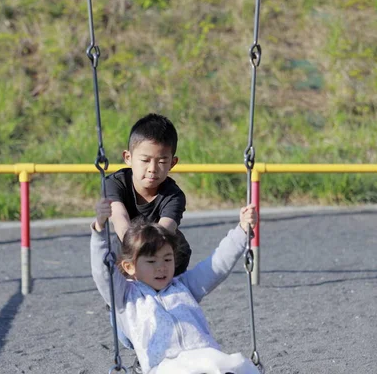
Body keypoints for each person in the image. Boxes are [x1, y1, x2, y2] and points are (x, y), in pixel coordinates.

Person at [91, 198, 261, 374]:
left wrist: (241, 230)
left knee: (237, 365)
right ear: (129, 266)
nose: (161, 267)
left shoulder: (184, 286)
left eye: (167, 259)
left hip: (204, 356)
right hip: (165, 366)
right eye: (151, 261)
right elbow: (103, 272)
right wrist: (99, 230)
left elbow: (216, 265)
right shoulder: (126, 297)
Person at [105, 113, 191, 275]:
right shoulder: (115, 183)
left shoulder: (174, 196)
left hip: (167, 258)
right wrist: (135, 252)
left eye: (162, 161)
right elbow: (119, 217)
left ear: (173, 163)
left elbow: (164, 232)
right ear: (128, 158)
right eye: (145, 160)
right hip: (129, 250)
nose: (152, 168)